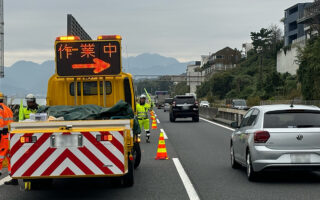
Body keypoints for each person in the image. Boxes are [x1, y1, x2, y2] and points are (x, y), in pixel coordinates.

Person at [0, 92, 17, 185]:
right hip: (9, 135)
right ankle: (13, 177)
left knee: (1, 154)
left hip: (3, 135)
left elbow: (0, 122)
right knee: (10, 156)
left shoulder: (0, 108)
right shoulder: (7, 108)